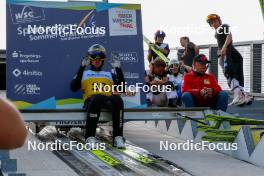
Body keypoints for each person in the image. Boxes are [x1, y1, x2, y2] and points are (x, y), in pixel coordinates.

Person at [70, 44, 126, 149]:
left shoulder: (109, 74)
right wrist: (81, 68)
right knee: (98, 97)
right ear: (90, 59)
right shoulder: (84, 74)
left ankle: (118, 137)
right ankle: (90, 137)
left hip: (107, 101)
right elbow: (73, 87)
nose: (97, 59)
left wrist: (119, 70)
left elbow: (122, 89)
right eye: (94, 56)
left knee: (117, 99)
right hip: (92, 101)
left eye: (100, 56)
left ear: (103, 59)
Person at [206, 14, 253, 106]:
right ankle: (243, 97)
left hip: (227, 54)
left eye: (215, 21)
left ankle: (238, 96)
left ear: (219, 21)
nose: (214, 23)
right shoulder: (219, 30)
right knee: (236, 76)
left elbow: (229, 36)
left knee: (229, 74)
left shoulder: (222, 27)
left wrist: (223, 48)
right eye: (212, 23)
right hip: (233, 54)